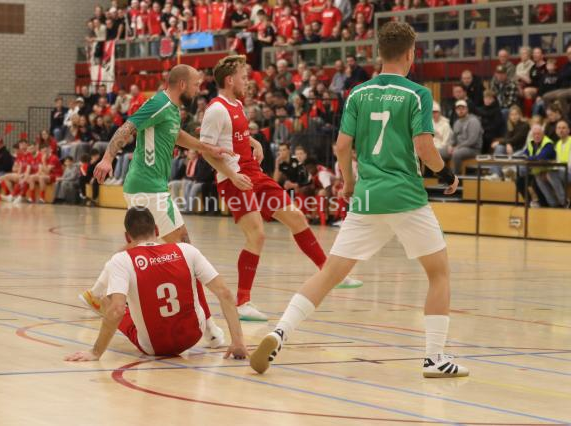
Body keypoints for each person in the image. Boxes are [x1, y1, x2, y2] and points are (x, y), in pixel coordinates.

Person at [250, 22, 469, 378]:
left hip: (367, 197)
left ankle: (280, 331)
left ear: (379, 53)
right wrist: (447, 175)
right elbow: (424, 146)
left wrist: (349, 184)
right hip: (406, 197)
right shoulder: (417, 94)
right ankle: (434, 359)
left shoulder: (357, 94)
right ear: (411, 54)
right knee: (438, 273)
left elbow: (341, 146)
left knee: (329, 274)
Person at [200, 55, 363, 322]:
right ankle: (243, 302)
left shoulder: (237, 104)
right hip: (233, 179)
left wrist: (253, 142)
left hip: (254, 173)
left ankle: (329, 273)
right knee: (257, 235)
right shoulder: (216, 109)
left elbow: (233, 136)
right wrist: (231, 174)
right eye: (243, 77)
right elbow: (206, 150)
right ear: (229, 80)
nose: (247, 81)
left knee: (297, 217)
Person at [87, 64, 233, 342]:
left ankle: (96, 293)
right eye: (195, 85)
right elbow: (127, 128)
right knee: (186, 250)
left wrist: (207, 148)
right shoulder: (158, 103)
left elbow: (177, 135)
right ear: (182, 84)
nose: (198, 90)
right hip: (148, 188)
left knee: (140, 247)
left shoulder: (172, 110)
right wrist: (107, 158)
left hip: (147, 187)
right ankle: (209, 327)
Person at [64, 208, 248, 361]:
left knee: (108, 302)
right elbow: (225, 293)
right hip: (192, 336)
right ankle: (211, 330)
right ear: (158, 230)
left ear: (127, 237)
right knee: (192, 274)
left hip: (153, 347)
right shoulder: (187, 250)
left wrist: (95, 352)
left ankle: (98, 294)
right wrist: (238, 342)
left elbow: (117, 310)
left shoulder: (121, 259)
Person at [441, 100, 482, 174]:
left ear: (467, 109)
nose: (460, 111)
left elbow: (472, 140)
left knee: (456, 154)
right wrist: (450, 146)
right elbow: (453, 139)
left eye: (463, 108)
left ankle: (456, 176)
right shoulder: (457, 122)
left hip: (473, 149)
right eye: (458, 109)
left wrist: (457, 147)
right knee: (440, 152)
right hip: (458, 147)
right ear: (456, 111)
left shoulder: (473, 121)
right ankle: (444, 175)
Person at [543, 120, 571, 207]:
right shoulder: (558, 144)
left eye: (563, 128)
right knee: (540, 176)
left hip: (569, 172)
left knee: (551, 174)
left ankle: (564, 202)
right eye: (559, 128)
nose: (561, 130)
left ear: (568, 130)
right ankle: (552, 203)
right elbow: (557, 161)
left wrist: (555, 169)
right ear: (556, 131)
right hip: (563, 171)